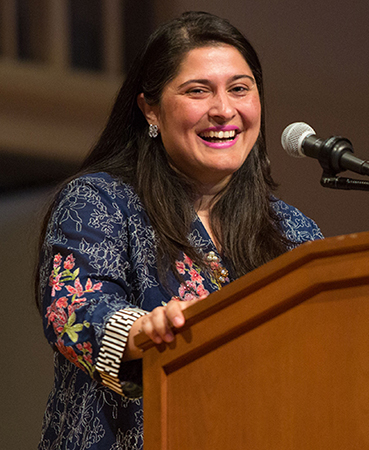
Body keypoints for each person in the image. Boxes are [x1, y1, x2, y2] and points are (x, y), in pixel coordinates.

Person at [36, 11, 322, 450]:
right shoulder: (100, 202)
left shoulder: (292, 231)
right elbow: (72, 311)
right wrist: (140, 331)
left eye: (240, 89)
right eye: (197, 91)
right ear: (150, 109)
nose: (224, 110)